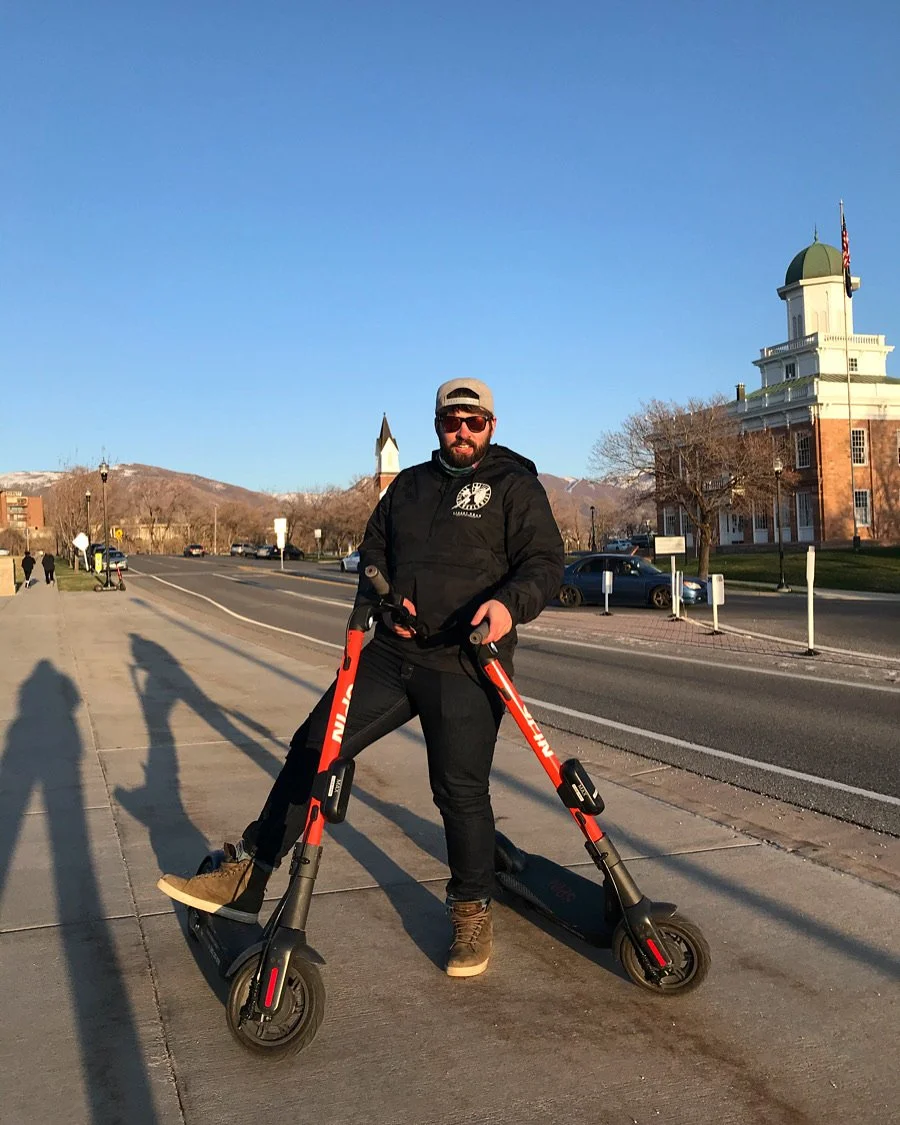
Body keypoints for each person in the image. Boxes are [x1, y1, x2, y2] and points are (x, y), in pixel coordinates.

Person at [157, 379, 564, 977]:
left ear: (492, 426)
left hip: (469, 662)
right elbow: (374, 550)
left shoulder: (514, 485)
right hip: (395, 657)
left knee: (459, 791)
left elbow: (545, 564)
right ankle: (250, 873)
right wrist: (380, 591)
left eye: (474, 422)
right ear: (437, 425)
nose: (462, 432)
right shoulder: (410, 486)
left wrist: (507, 606)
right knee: (314, 746)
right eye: (452, 421)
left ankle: (472, 908)